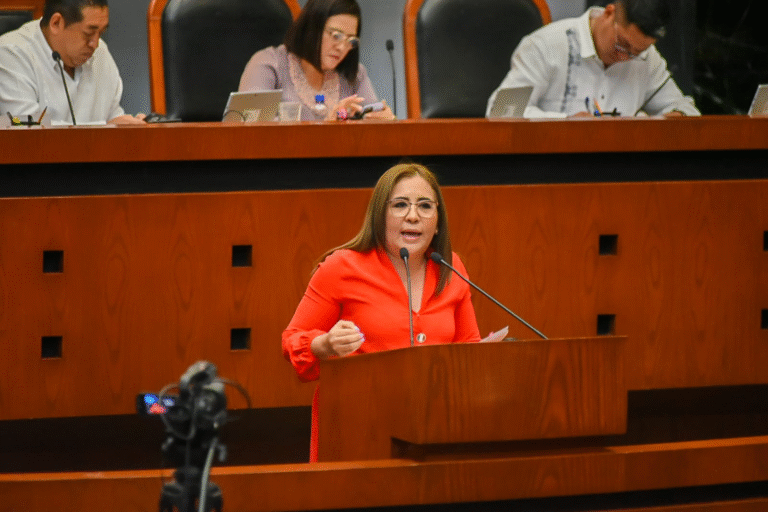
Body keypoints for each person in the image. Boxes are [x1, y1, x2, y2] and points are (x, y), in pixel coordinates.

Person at [282, 163, 507, 461]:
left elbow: (467, 350)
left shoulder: (451, 268)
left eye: (425, 206)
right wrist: (324, 344)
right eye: (400, 205)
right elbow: (292, 339)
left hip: (433, 430)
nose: (413, 216)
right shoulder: (342, 267)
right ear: (380, 215)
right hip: (359, 428)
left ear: (437, 221)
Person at [486, 0, 700, 119]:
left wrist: (675, 118)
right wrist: (565, 122)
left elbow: (687, 110)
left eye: (637, 52)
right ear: (608, 13)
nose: (625, 57)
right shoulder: (545, 46)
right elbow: (501, 112)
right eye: (622, 44)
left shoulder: (647, 59)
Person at [238, 0, 394, 121]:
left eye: (351, 40)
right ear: (312, 28)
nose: (342, 47)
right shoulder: (269, 64)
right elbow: (249, 128)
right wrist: (326, 129)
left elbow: (371, 119)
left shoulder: (355, 74)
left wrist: (383, 120)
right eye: (336, 36)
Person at [0, 0, 145, 125]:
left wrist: (130, 125)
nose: (95, 44)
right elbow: (25, 127)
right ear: (56, 23)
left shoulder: (101, 52)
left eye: (101, 33)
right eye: (88, 34)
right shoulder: (12, 53)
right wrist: (106, 128)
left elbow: (113, 114)